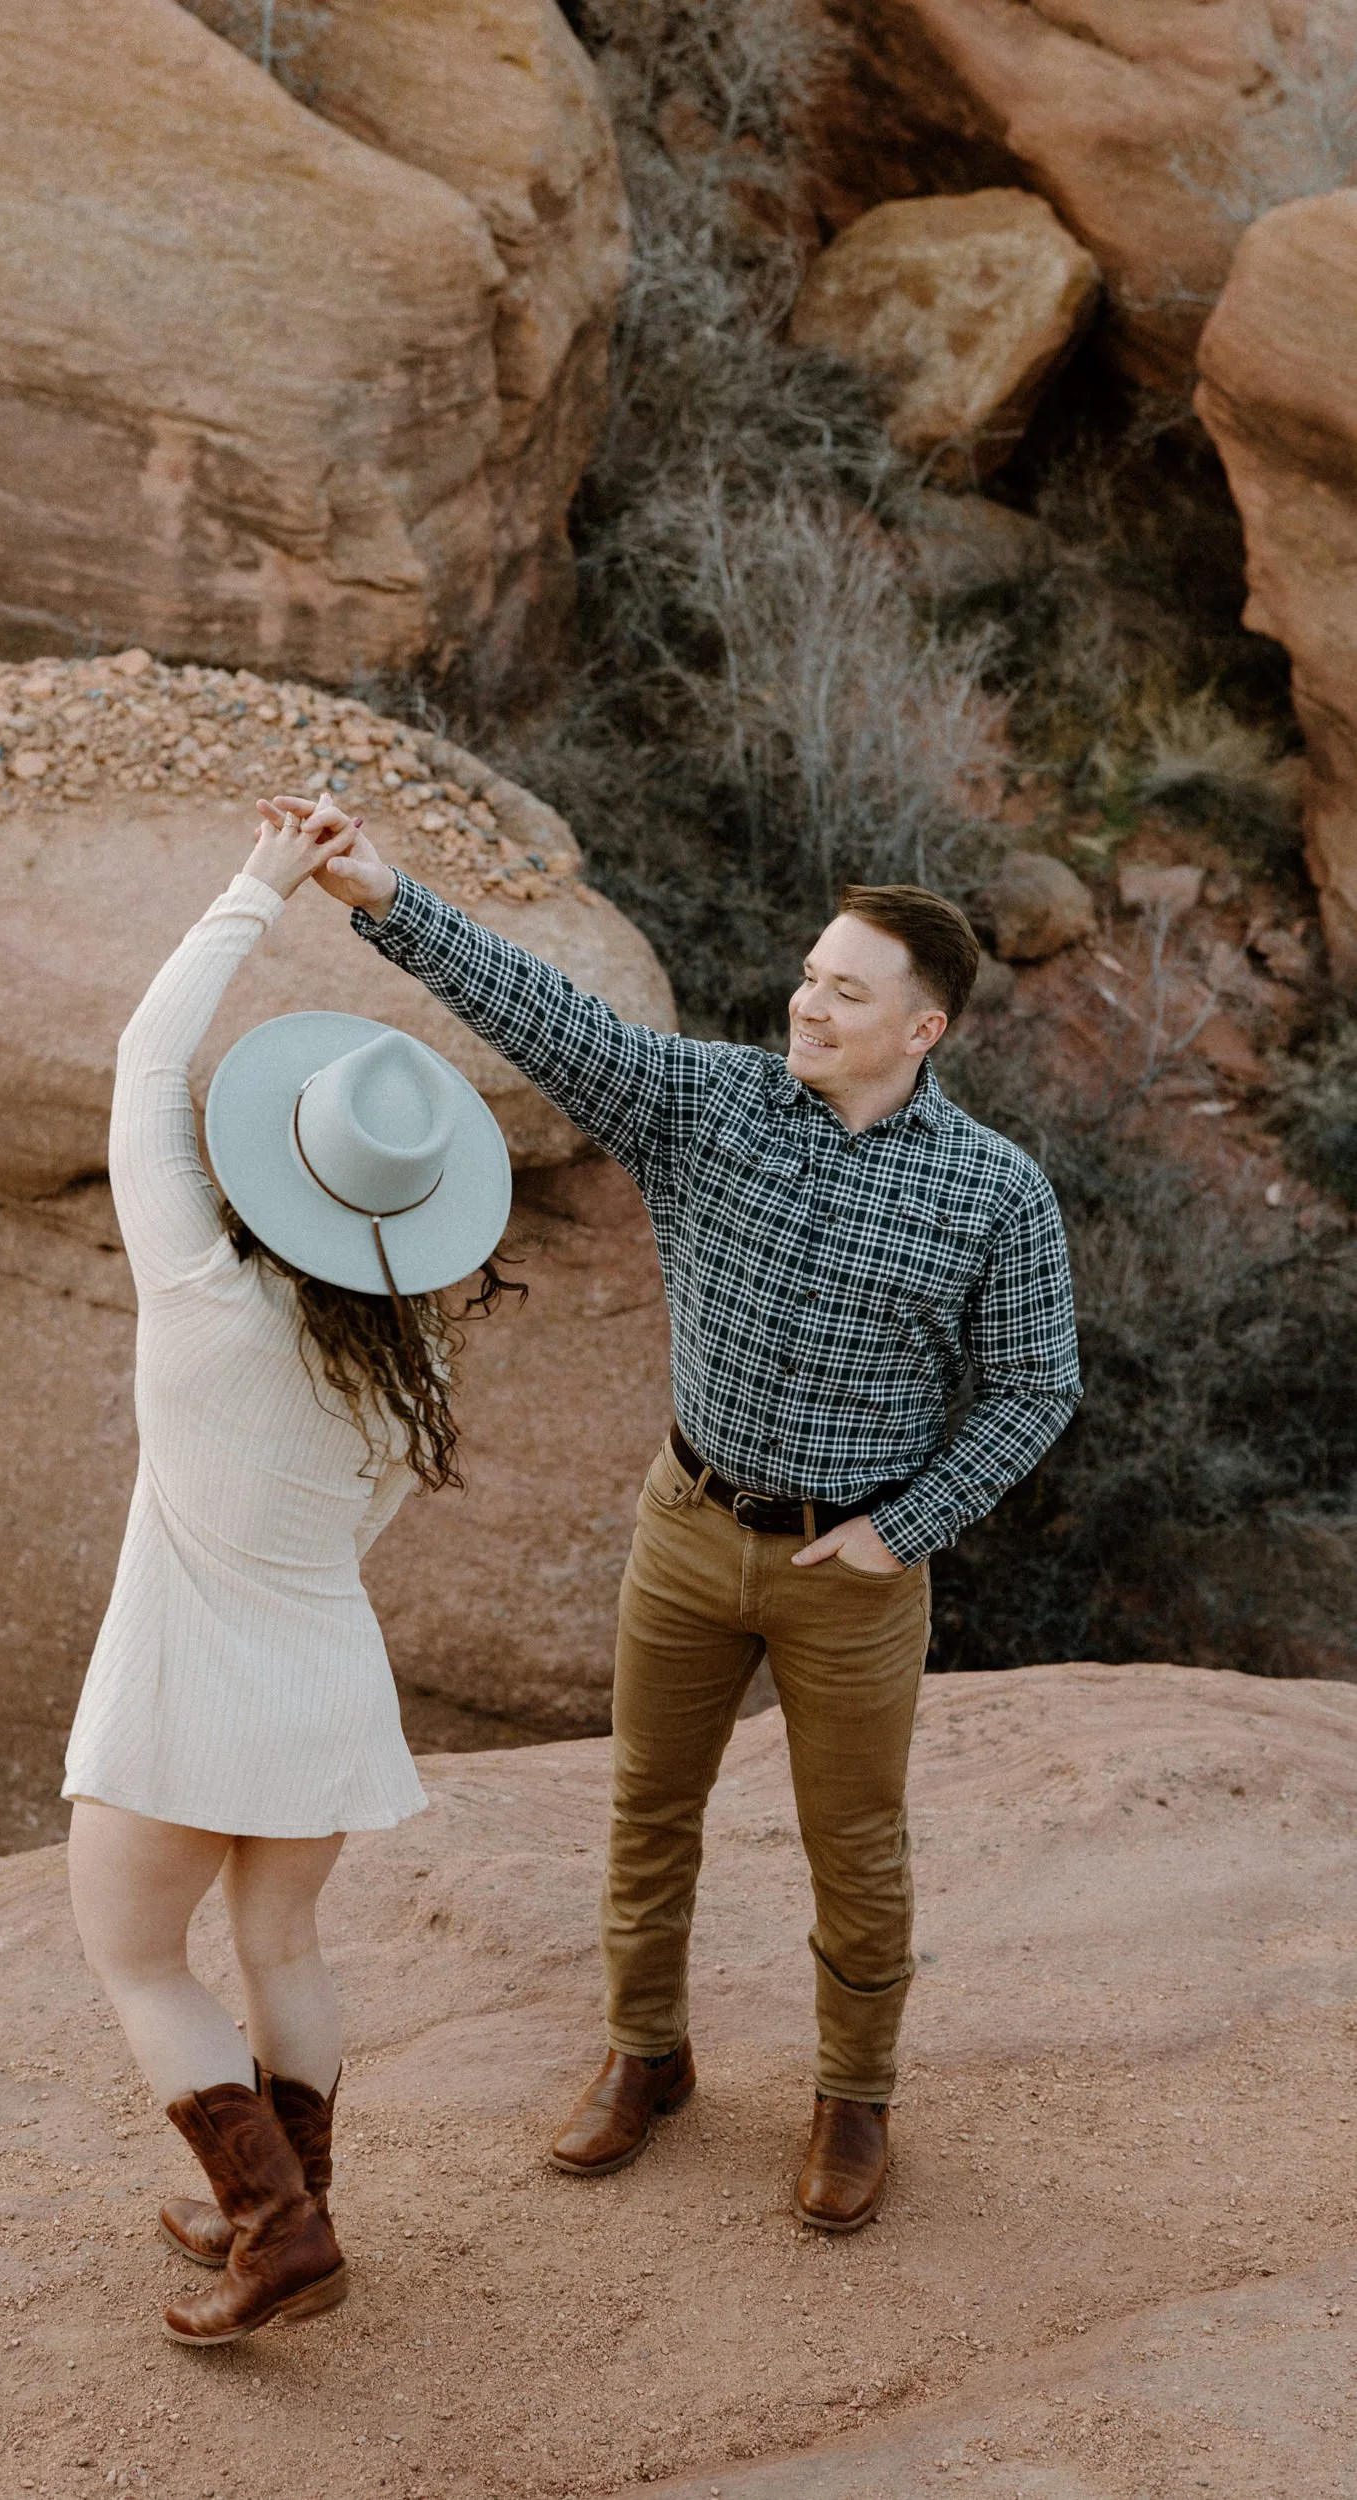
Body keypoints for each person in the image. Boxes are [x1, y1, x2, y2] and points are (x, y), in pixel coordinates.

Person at [299, 802, 1081, 2234]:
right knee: (646, 1813)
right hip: (686, 1527)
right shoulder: (705, 1103)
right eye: (807, 974)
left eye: (845, 991)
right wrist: (383, 894)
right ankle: (644, 2058)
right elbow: (546, 1017)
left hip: (853, 1566)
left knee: (855, 1846)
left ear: (922, 1030)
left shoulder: (992, 1194)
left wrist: (904, 1530)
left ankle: (854, 2097)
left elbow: (1035, 1389)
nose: (807, 1000)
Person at [62, 793, 517, 2345]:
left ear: (280, 1169)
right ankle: (297, 2206)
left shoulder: (198, 1293)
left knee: (134, 1955)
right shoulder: (418, 1373)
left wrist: (258, 883)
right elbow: (352, 1532)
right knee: (281, 1945)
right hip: (324, 1690)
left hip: (191, 1690)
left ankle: (275, 2228)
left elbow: (142, 1066)